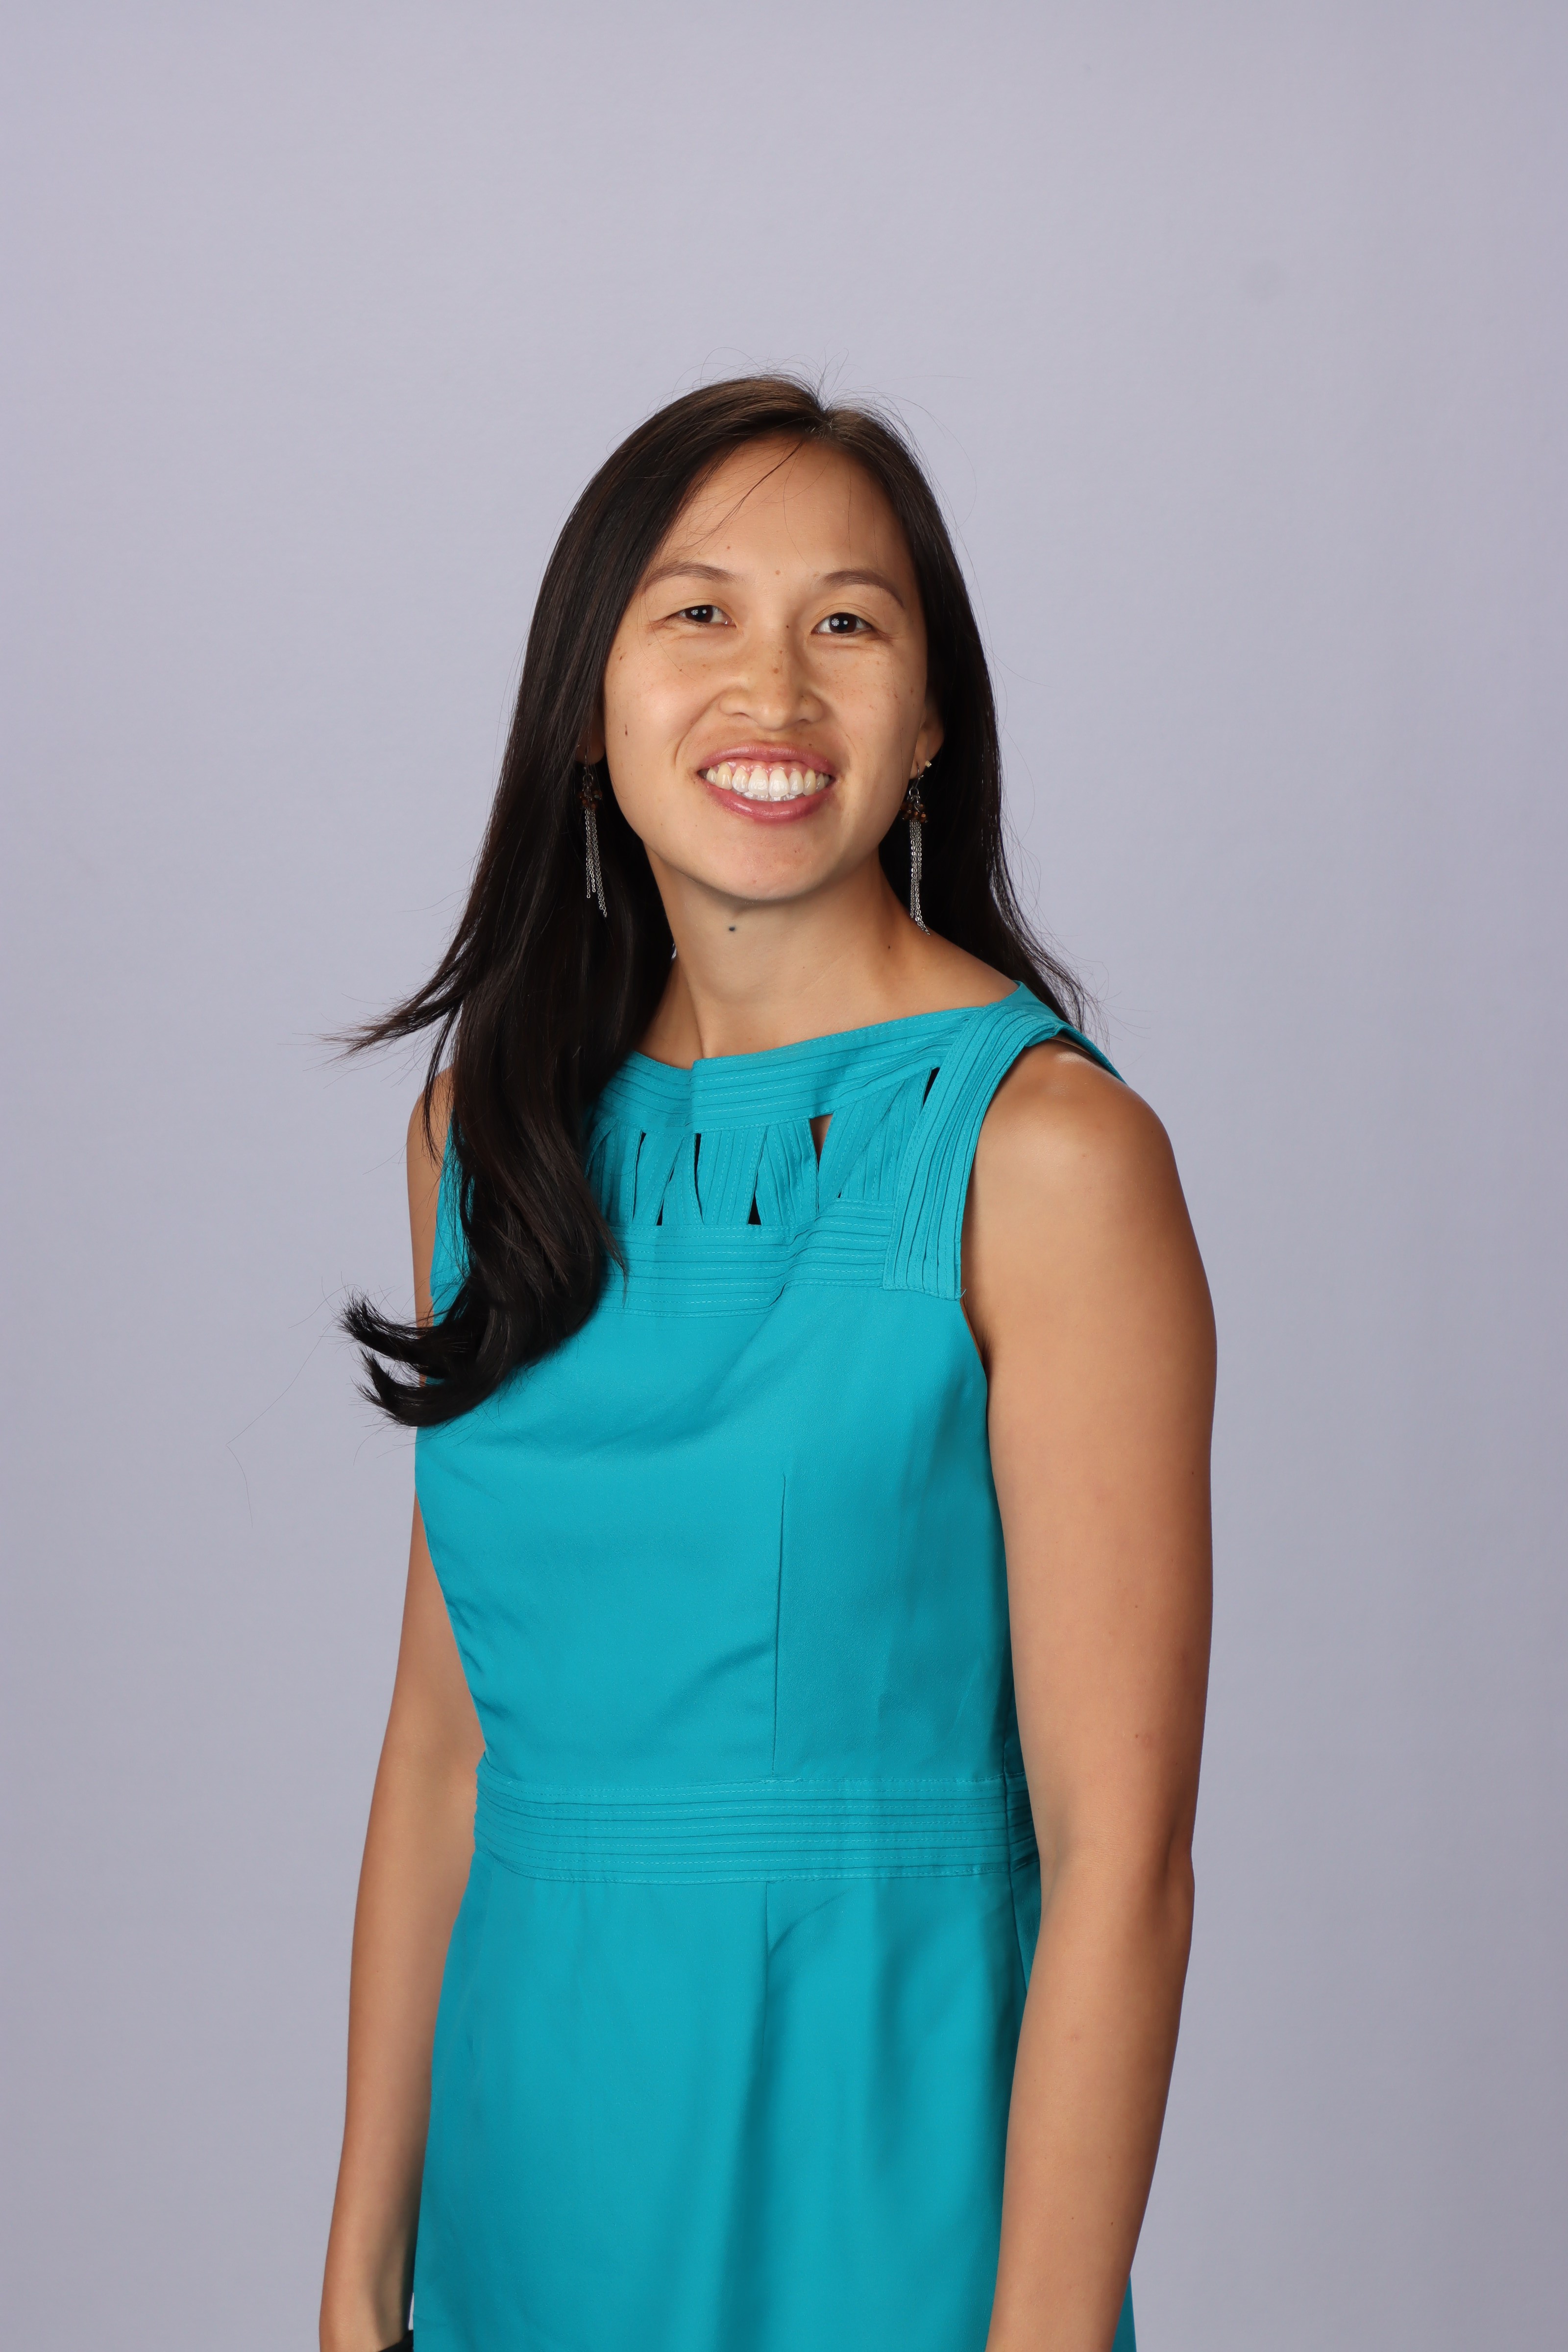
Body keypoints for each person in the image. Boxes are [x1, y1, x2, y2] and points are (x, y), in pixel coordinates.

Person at [319, 376, 1215, 2352]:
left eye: (849, 622)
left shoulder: (1045, 1155)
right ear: (588, 702)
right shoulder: (487, 1139)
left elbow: (1122, 1857)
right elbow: (445, 1754)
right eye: (698, 613)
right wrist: (360, 2280)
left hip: (875, 2175)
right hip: (528, 2180)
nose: (775, 689)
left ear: (930, 719)